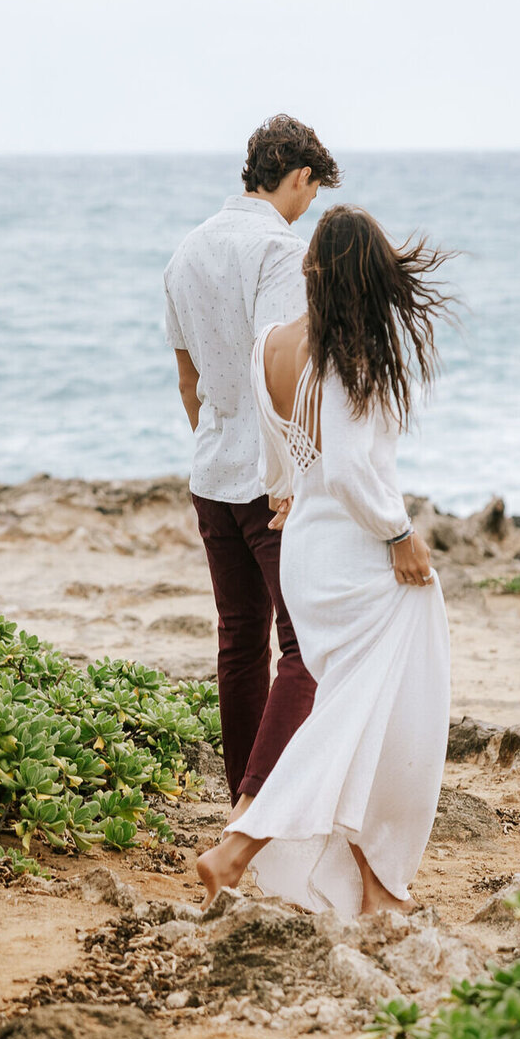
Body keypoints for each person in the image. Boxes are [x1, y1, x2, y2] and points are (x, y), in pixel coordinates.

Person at [196, 204, 452, 917]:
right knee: (371, 706)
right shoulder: (352, 349)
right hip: (351, 548)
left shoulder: (269, 344)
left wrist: (286, 494)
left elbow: (275, 457)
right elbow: (344, 464)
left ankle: (372, 888)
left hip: (306, 548)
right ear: (364, 275)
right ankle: (237, 847)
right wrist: (399, 532)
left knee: (361, 712)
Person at [163, 115, 341, 815]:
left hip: (211, 473)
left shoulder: (186, 251)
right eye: (313, 192)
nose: (309, 207)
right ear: (299, 177)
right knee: (305, 647)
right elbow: (284, 369)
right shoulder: (280, 249)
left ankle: (242, 792)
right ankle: (255, 805)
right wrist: (290, 477)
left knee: (240, 641)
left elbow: (189, 381)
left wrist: (219, 447)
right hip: (270, 484)